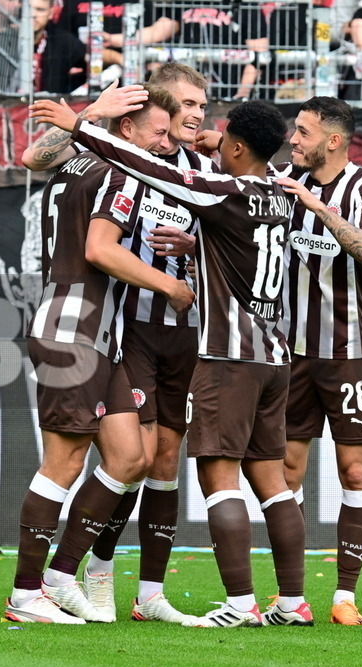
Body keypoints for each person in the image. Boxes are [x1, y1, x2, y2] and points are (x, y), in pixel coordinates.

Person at [31, 96, 312, 628]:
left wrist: (80, 123)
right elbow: (239, 244)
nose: (195, 118)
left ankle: (239, 604)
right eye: (187, 105)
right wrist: (197, 243)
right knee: (272, 482)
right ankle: (293, 602)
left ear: (234, 145)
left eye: (205, 111)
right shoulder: (280, 193)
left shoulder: (217, 187)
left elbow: (148, 165)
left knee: (217, 475)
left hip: (227, 355)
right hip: (275, 354)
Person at [22, 64, 213, 624]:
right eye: (163, 120)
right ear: (130, 125)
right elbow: (101, 250)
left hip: (100, 328)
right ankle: (28, 592)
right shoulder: (118, 171)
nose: (181, 124)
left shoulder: (85, 161)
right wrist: (170, 284)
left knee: (132, 457)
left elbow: (39, 158)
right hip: (81, 325)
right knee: (64, 461)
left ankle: (61, 576)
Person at [273, 97, 362, 626]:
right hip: (290, 350)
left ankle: (344, 596)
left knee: (355, 468)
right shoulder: (281, 179)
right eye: (294, 131)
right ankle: (291, 597)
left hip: (347, 353)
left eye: (303, 132)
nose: (293, 140)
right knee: (287, 471)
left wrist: (317, 206)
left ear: (333, 141)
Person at [30, 0, 85, 94]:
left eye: (40, 10)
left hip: (50, 106)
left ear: (51, 13)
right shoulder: (4, 41)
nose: (33, 14)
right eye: (28, 9)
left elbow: (92, 59)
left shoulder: (65, 42)